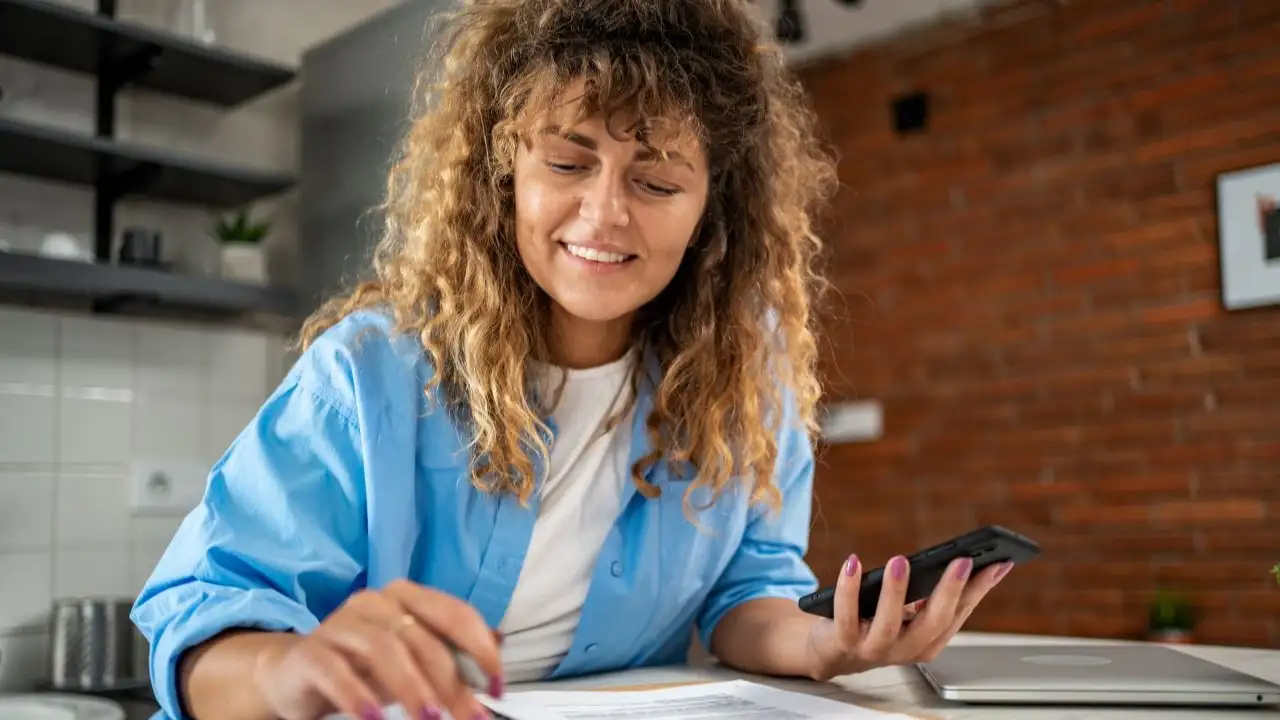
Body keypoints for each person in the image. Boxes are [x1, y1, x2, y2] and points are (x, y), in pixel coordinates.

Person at [131, 1, 1013, 719]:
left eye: (657, 181)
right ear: (501, 170)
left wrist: (825, 644)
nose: (604, 215)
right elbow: (202, 617)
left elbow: (748, 595)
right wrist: (290, 672)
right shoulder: (368, 374)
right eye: (565, 161)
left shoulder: (747, 388)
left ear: (713, 206)